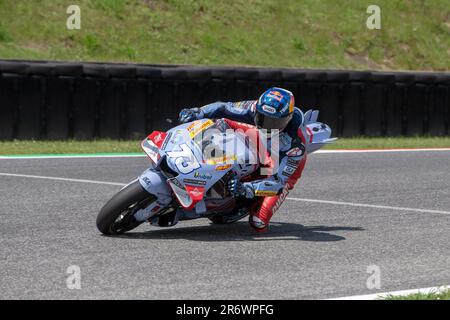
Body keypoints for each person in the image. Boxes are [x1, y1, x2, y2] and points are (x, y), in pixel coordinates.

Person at [178, 88, 308, 232]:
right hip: (255, 139)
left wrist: (246, 189)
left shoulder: (295, 144)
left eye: (274, 123)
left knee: (259, 222)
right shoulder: (252, 107)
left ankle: (248, 199)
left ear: (288, 119)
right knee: (218, 123)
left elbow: (278, 183)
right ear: (257, 110)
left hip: (278, 160)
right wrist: (197, 112)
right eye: (263, 119)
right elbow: (223, 107)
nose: (267, 126)